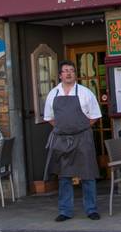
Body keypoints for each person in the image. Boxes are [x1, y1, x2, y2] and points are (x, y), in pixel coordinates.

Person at [43, 60, 102, 221]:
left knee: (88, 174)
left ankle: (91, 209)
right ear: (60, 75)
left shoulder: (85, 92)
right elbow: (49, 118)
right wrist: (64, 128)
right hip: (62, 140)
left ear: (75, 74)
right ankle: (65, 211)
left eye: (71, 71)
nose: (69, 73)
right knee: (64, 176)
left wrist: (79, 127)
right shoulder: (52, 94)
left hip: (83, 137)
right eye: (65, 71)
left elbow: (95, 116)